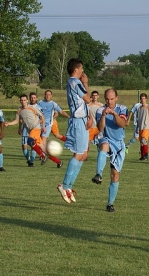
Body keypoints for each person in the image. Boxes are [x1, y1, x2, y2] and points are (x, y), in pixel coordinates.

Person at [57, 58, 91, 204]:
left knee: (83, 155)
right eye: (81, 68)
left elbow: (84, 102)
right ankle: (64, 185)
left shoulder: (73, 82)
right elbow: (88, 99)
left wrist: (89, 116)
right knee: (78, 154)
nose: (83, 71)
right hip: (78, 121)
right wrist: (85, 82)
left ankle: (69, 187)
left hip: (82, 120)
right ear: (76, 70)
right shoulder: (75, 82)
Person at [91, 88, 128, 212]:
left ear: (116, 98)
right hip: (106, 138)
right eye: (107, 99)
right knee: (104, 145)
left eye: (112, 99)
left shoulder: (122, 109)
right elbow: (100, 128)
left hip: (119, 144)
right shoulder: (100, 110)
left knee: (115, 176)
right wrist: (103, 115)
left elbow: (122, 124)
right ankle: (98, 174)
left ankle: (110, 204)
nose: (109, 101)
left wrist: (114, 114)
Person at [5, 94, 63, 168]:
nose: (23, 102)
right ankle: (59, 162)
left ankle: (42, 156)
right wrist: (8, 124)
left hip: (36, 128)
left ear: (27, 100)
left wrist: (44, 126)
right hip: (30, 130)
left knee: (29, 140)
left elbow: (42, 116)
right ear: (20, 101)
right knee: (44, 150)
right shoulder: (19, 110)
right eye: (21, 100)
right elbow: (17, 121)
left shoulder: (32, 108)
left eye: (24, 100)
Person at [134, 93, 149, 160]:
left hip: (147, 127)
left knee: (144, 140)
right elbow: (138, 119)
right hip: (141, 127)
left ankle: (146, 155)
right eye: (141, 98)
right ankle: (142, 156)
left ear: (146, 99)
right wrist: (137, 128)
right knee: (141, 142)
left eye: (144, 98)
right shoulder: (139, 109)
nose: (143, 100)